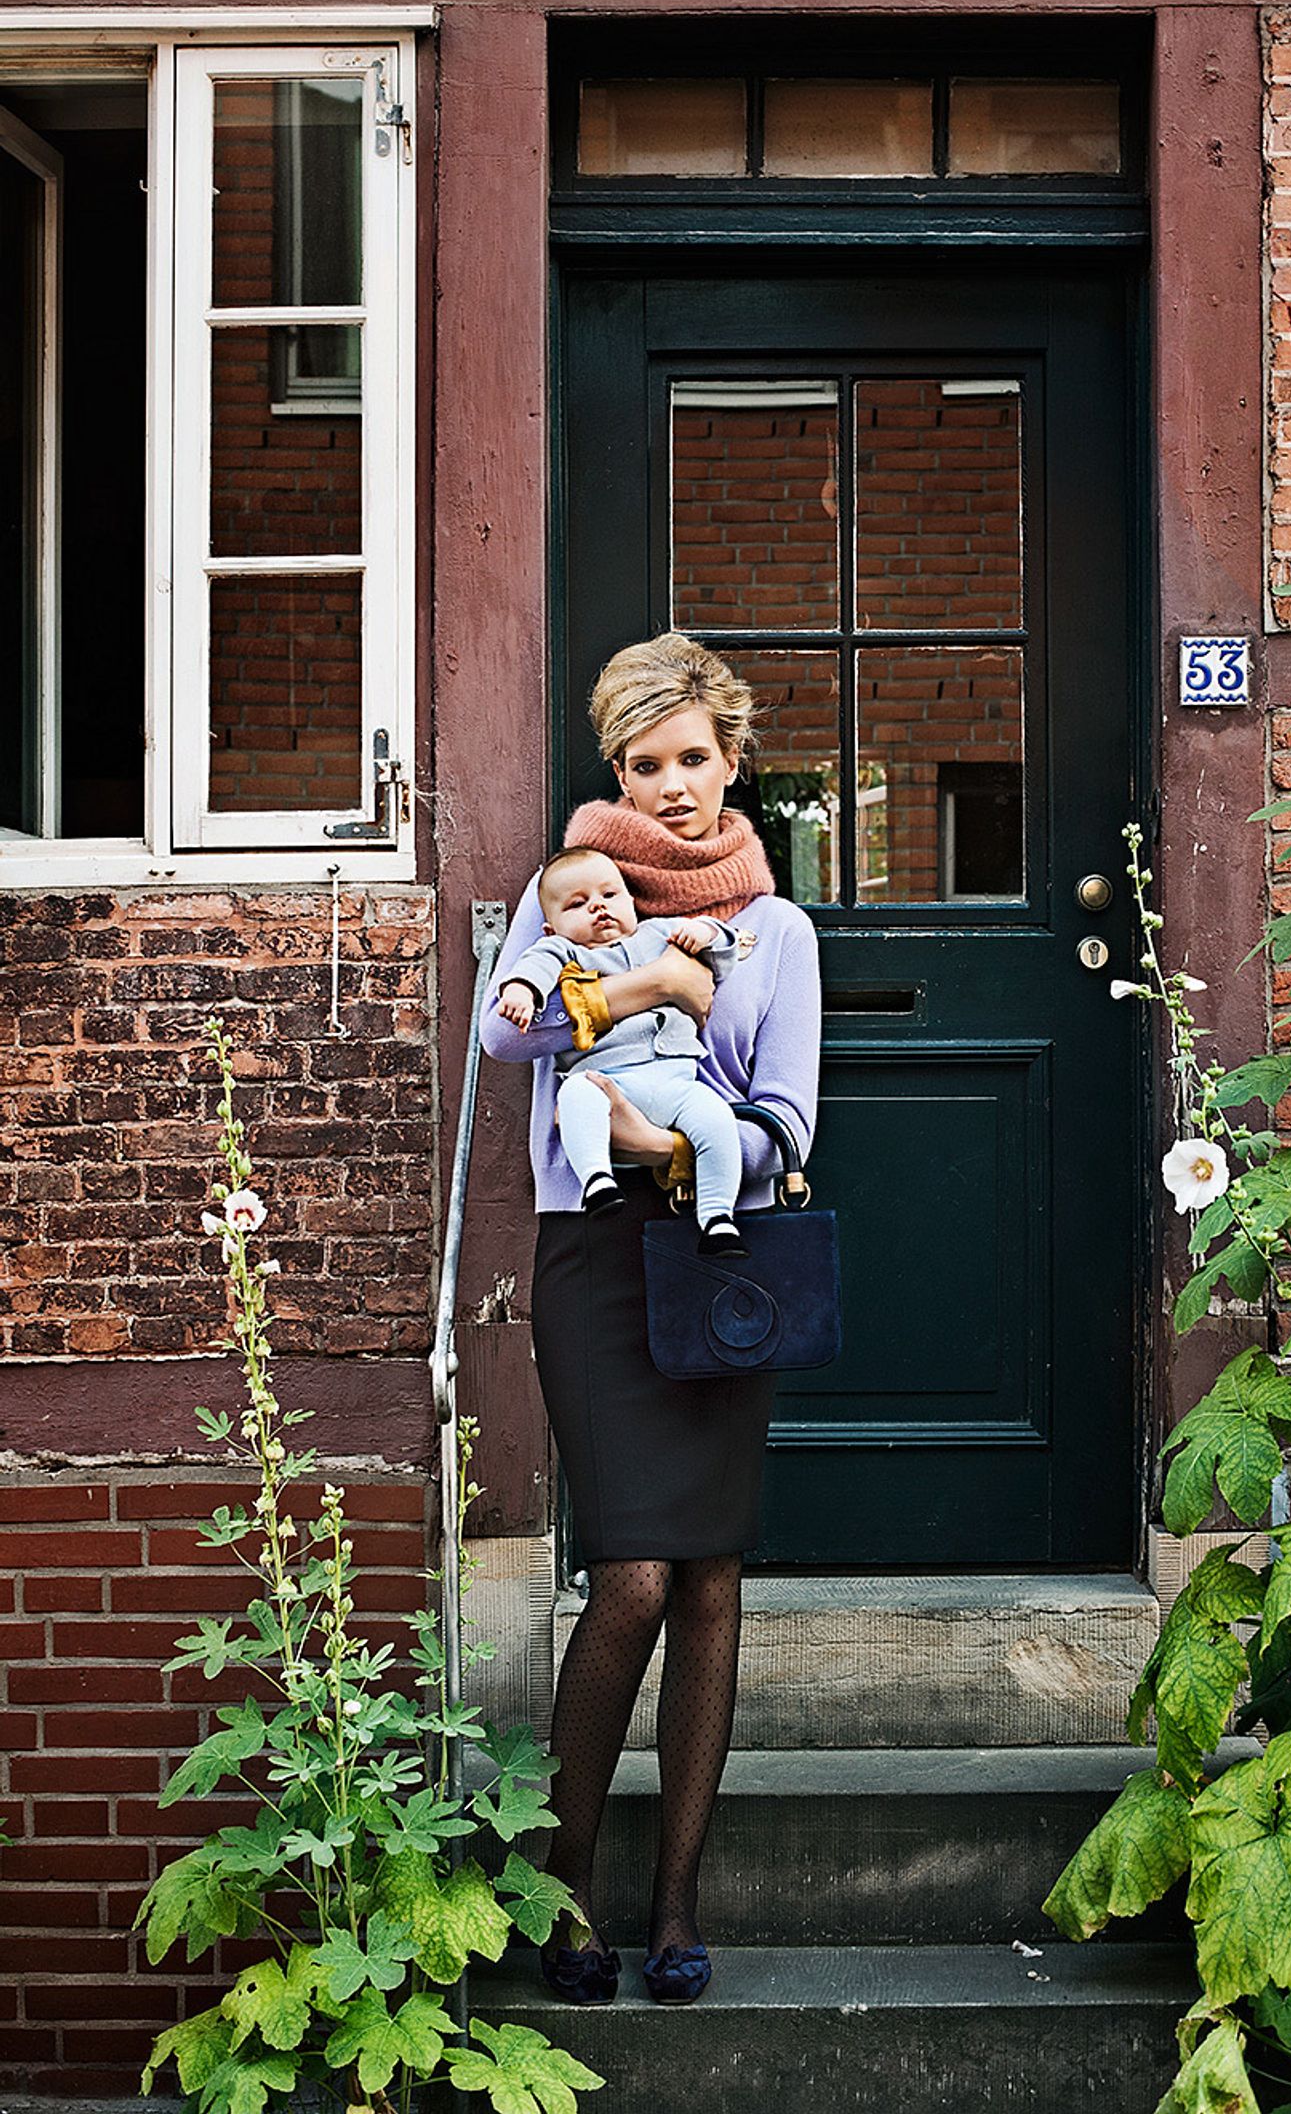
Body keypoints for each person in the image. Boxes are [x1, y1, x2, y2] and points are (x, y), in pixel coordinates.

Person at [480, 633, 821, 2006]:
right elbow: (508, 1040)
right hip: (590, 1264)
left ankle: (675, 1902)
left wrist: (662, 1146)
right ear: (613, 773)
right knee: (627, 1575)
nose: (670, 787)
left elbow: (788, 1118)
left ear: (732, 763)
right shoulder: (564, 892)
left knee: (711, 1580)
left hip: (715, 1248)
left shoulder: (778, 929)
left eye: (692, 760)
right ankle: (564, 1900)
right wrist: (653, 986)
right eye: (642, 764)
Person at [493, 845, 752, 1252]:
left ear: (632, 901)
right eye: (578, 904)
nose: (598, 907)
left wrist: (706, 933)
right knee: (577, 1097)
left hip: (675, 1081)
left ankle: (718, 1216)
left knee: (717, 1120)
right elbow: (530, 969)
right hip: (604, 1079)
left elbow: (724, 950)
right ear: (551, 927)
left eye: (609, 896)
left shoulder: (659, 934)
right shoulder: (563, 951)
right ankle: (597, 1181)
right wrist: (521, 991)